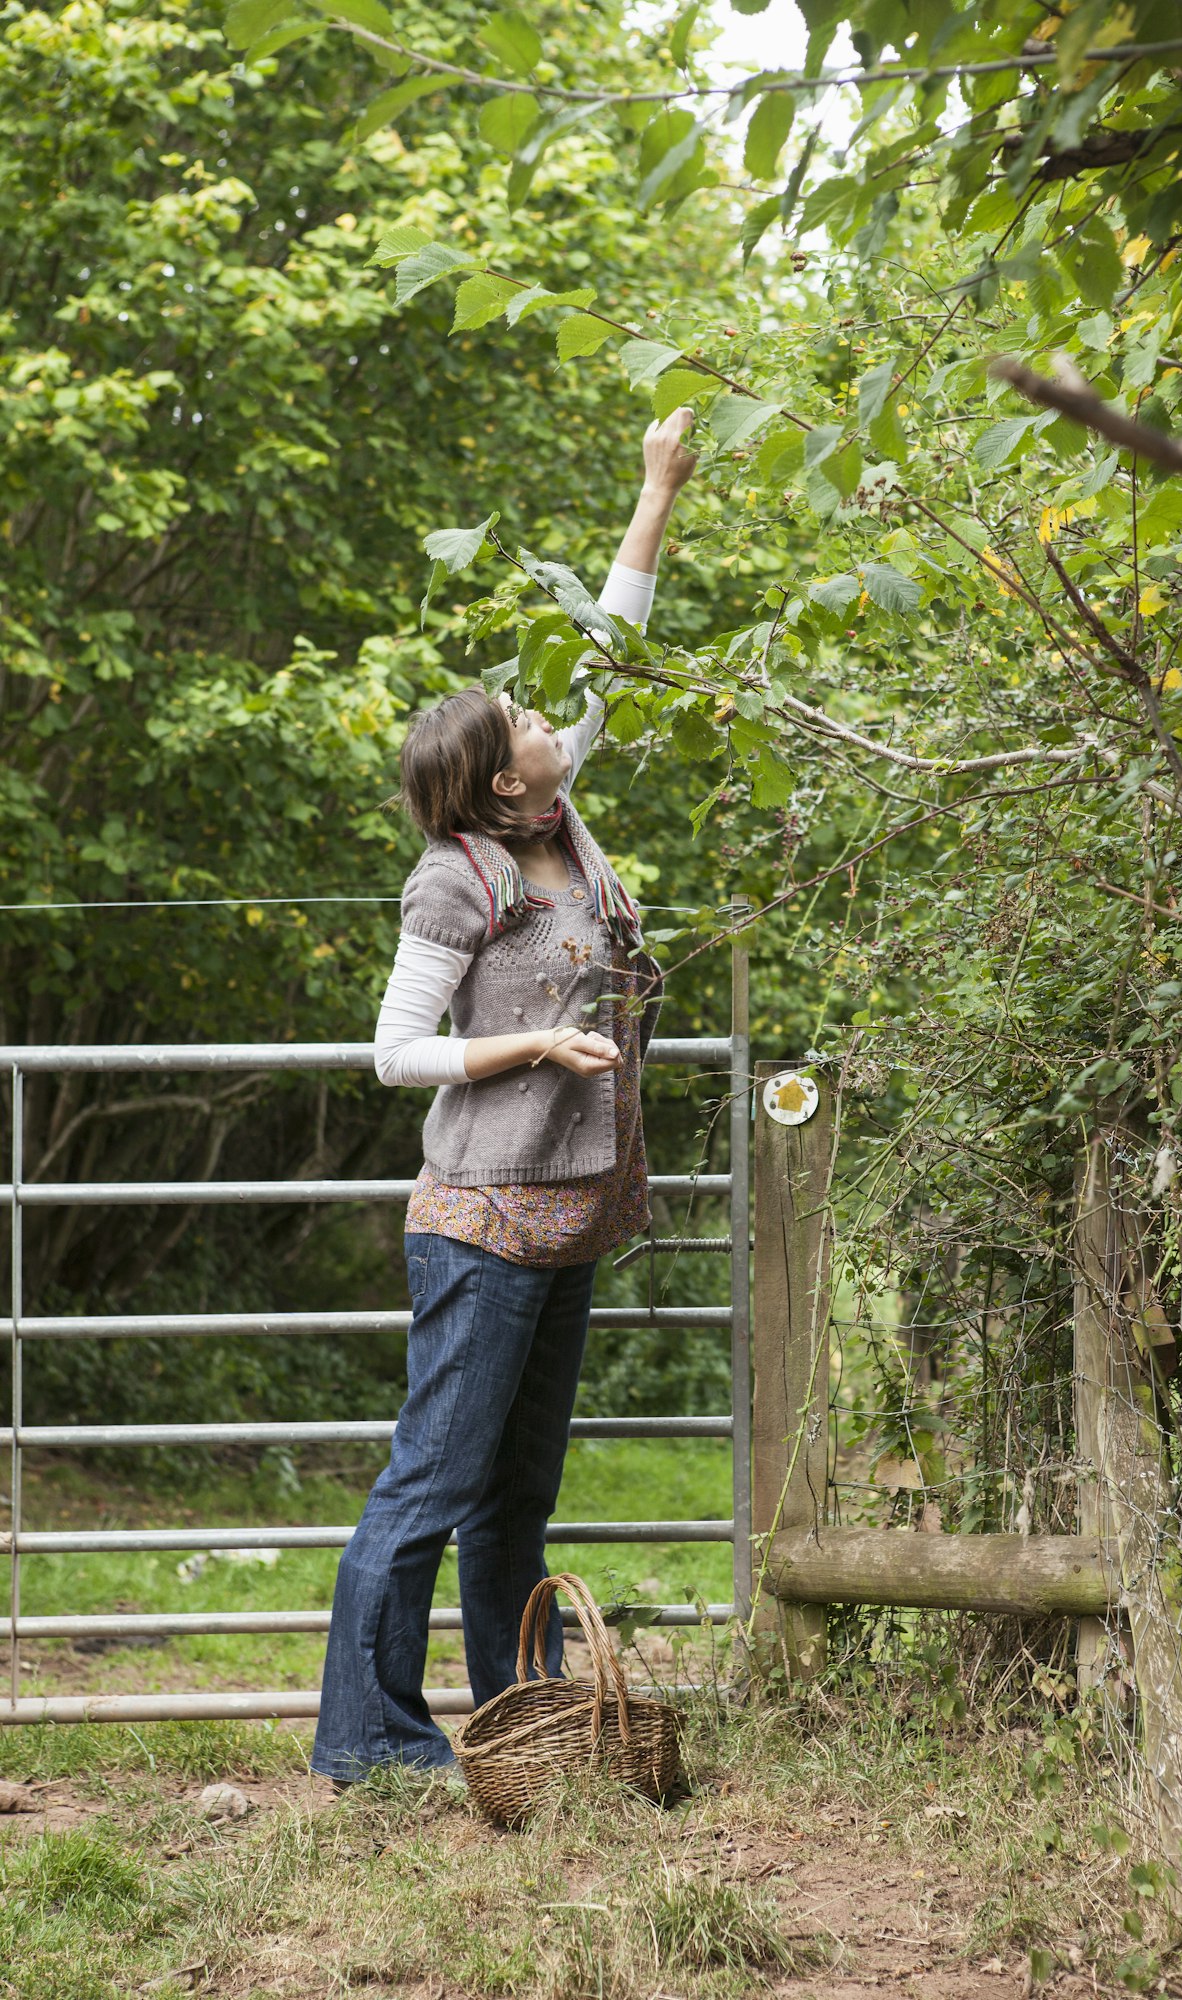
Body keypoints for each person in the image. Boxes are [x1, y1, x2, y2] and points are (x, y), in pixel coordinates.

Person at [311, 409, 698, 1784]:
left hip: (568, 1217)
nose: (545, 717)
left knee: (518, 1496)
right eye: (522, 723)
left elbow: (611, 650)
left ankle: (522, 1720)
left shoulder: (560, 822)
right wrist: (533, 1050)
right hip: (480, 1227)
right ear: (496, 780)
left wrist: (652, 488)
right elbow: (394, 1051)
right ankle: (367, 1742)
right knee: (434, 1486)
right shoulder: (456, 877)